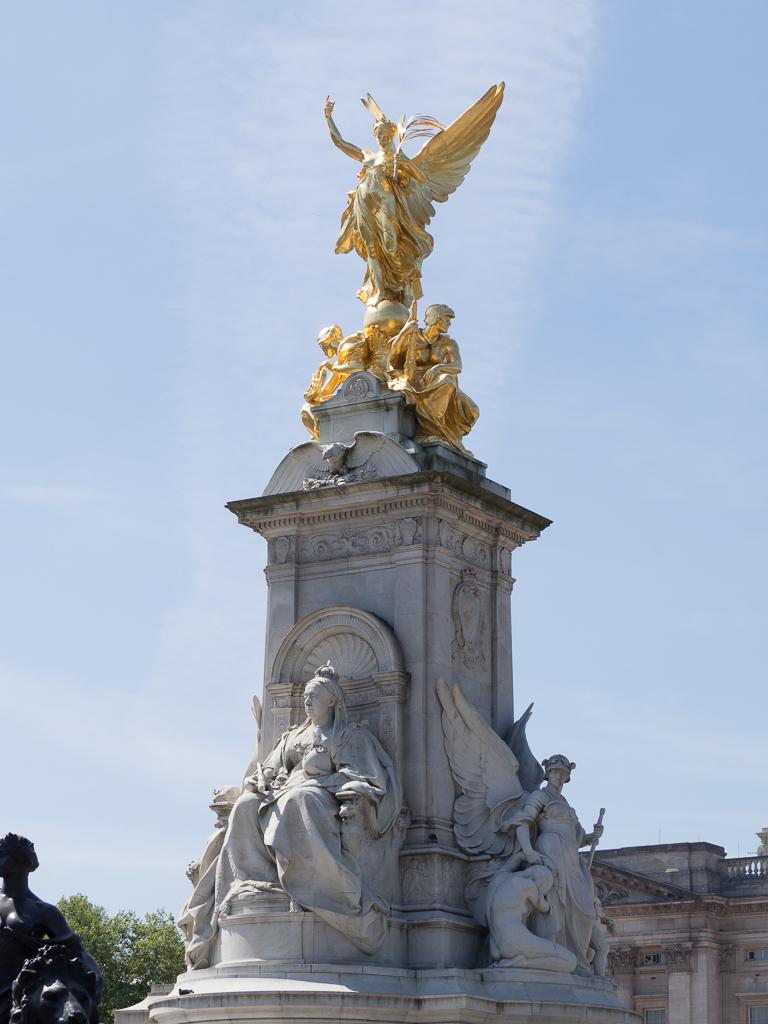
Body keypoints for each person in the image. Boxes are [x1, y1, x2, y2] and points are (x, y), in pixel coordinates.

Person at [184, 665, 401, 967]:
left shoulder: (351, 736)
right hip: (280, 794)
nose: (307, 702)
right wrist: (257, 781)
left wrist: (321, 775)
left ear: (332, 701)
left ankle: (313, 885)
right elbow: (271, 768)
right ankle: (254, 880)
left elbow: (363, 777)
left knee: (301, 798)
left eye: (314, 696)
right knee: (246, 805)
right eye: (305, 696)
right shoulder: (292, 735)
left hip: (321, 797)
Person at [501, 756, 604, 977]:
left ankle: (577, 962)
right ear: (548, 773)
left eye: (563, 773)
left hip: (570, 856)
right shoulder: (540, 795)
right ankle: (554, 959)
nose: (559, 776)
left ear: (567, 777)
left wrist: (591, 837)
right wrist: (528, 851)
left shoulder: (566, 804)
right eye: (555, 772)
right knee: (556, 904)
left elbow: (578, 839)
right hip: (550, 849)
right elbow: (523, 821)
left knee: (584, 911)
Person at [325, 98, 430, 308]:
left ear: (391, 134)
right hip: (363, 203)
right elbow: (339, 142)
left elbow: (421, 179)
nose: (379, 137)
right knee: (371, 248)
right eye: (377, 134)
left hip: (385, 201)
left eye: (383, 133)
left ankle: (405, 282)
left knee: (391, 246)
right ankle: (380, 291)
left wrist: (407, 164)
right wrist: (328, 117)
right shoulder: (367, 156)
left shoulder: (397, 158)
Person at [0, 835, 103, 1024]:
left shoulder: (43, 911)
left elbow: (78, 950)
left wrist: (97, 976)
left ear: (22, 859)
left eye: (1, 855)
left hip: (13, 994)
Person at [389, 305, 479, 452]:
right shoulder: (414, 334)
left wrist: (438, 367)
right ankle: (429, 431)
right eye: (447, 319)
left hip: (436, 380)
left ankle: (446, 433)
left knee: (472, 410)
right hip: (414, 379)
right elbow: (393, 353)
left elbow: (457, 366)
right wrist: (404, 333)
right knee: (448, 380)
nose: (449, 324)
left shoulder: (449, 342)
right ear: (435, 319)